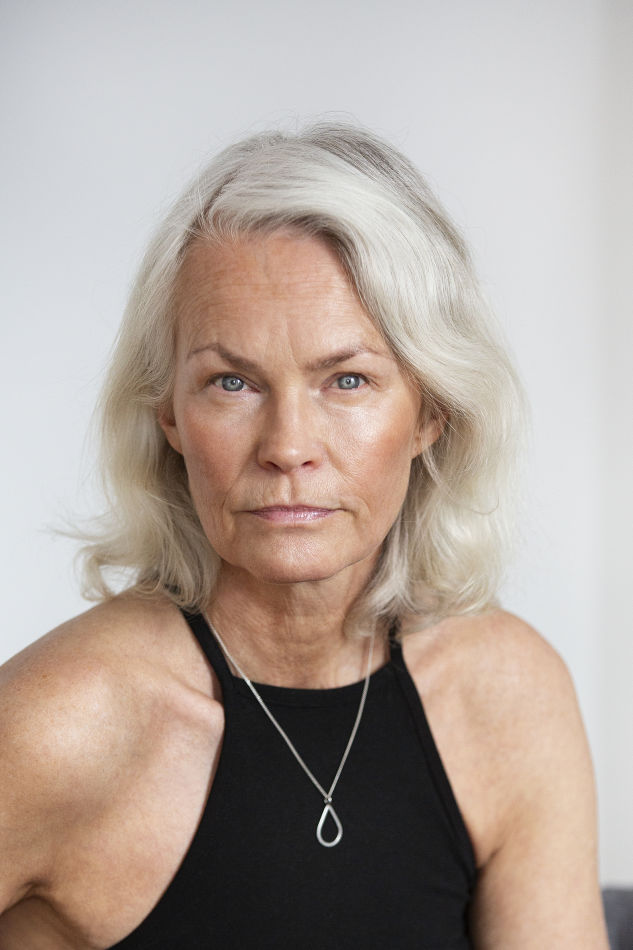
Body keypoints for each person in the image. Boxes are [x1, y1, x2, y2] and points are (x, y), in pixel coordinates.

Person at [0, 122, 608, 949]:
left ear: (431, 412)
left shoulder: (507, 695)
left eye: (346, 379)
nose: (287, 446)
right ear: (169, 414)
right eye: (232, 382)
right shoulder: (60, 726)